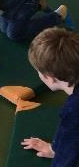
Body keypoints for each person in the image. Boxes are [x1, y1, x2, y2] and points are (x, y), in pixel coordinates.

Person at [21, 27, 79, 167]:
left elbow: (67, 156)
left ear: (50, 78)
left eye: (39, 72)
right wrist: (54, 149)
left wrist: (57, 154)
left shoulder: (74, 110)